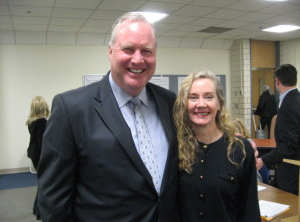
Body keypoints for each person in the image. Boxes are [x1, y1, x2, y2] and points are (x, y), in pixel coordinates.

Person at [37, 12, 179, 222]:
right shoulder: (71, 108)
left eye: (146, 51)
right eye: (128, 49)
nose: (138, 59)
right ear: (111, 51)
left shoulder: (170, 102)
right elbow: (53, 200)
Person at [173, 70, 260, 222]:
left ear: (219, 103)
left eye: (209, 97)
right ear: (185, 105)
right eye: (193, 97)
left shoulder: (241, 149)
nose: (201, 104)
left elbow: (249, 209)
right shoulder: (174, 148)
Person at [257, 64, 300, 195]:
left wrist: (262, 160)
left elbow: (288, 146)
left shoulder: (289, 104)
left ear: (277, 81)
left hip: (291, 173)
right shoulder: (296, 99)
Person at [26, 95, 50, 220]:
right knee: (44, 181)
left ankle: (38, 208)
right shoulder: (42, 122)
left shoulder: (31, 121)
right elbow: (42, 143)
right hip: (39, 154)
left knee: (42, 180)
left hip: (33, 153)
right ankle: (39, 208)